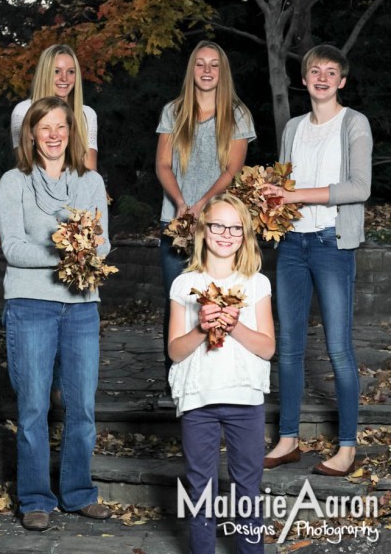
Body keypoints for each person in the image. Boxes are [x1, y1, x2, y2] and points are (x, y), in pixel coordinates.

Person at [0, 97, 112, 531]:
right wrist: (68, 251)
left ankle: (79, 493)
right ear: (30, 134)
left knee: (82, 406)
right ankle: (35, 498)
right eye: (43, 127)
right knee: (32, 408)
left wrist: (83, 252)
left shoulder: (90, 182)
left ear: (71, 132)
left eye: (60, 126)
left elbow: (100, 246)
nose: (53, 134)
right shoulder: (14, 182)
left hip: (82, 307)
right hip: (30, 307)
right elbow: (13, 248)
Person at [263, 45, 373, 476]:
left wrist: (295, 195)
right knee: (287, 347)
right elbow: (284, 182)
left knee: (338, 349)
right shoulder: (292, 127)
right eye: (315, 71)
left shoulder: (353, 123)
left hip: (332, 243)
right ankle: (288, 439)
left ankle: (347, 448)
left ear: (341, 82)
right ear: (304, 79)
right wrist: (272, 200)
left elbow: (359, 187)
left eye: (331, 72)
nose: (323, 78)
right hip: (292, 244)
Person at [168, 193, 275, 554]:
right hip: (200, 399)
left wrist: (235, 327)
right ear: (203, 229)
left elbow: (267, 347)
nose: (226, 234)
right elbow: (174, 351)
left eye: (235, 227)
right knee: (201, 491)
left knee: (247, 488)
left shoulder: (256, 283)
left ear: (245, 234)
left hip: (245, 400)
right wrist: (201, 328)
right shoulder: (184, 286)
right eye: (218, 225)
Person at [156, 41, 256, 392]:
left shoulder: (238, 114)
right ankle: (175, 385)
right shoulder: (173, 110)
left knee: (218, 302)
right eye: (200, 64)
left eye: (214, 64)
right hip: (178, 222)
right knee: (177, 304)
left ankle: (218, 383)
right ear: (192, 70)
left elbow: (232, 170)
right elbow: (163, 165)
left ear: (222, 71)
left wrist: (202, 204)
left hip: (218, 225)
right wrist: (182, 202)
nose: (207, 70)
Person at [11, 44, 98, 170]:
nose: (64, 78)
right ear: (45, 73)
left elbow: (90, 173)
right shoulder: (24, 111)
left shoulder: (86, 114)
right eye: (56, 71)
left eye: (71, 72)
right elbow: (27, 168)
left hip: (79, 188)